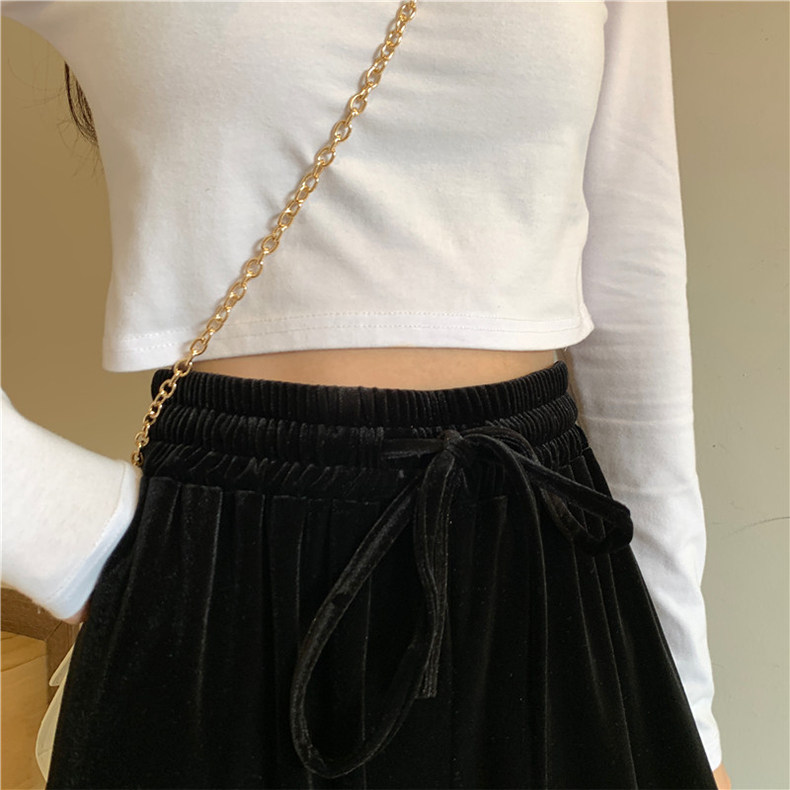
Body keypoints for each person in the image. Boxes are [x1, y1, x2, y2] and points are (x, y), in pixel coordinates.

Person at [0, 1, 732, 788]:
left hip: (544, 554)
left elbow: (635, 294)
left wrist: (687, 706)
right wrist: (63, 531)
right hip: (225, 558)